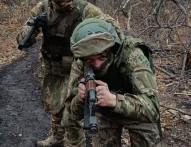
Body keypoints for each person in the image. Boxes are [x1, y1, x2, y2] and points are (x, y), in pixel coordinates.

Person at [16, 0, 122, 147]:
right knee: (54, 107)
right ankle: (57, 138)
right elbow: (22, 41)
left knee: (72, 113)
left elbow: (112, 30)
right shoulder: (43, 8)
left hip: (76, 70)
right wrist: (33, 26)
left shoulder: (85, 10)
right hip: (51, 68)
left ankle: (73, 143)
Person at [65, 18, 161, 147]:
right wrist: (81, 98)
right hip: (105, 111)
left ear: (112, 49)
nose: (97, 65)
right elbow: (72, 114)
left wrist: (114, 100)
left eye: (101, 57)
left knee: (147, 139)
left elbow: (153, 109)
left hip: (137, 111)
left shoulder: (132, 55)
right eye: (90, 60)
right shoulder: (80, 63)